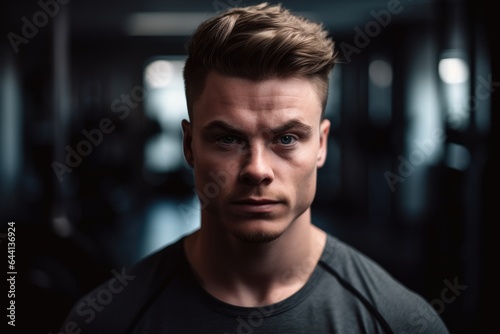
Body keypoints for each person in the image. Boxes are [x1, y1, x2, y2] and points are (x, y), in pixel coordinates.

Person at [59, 3, 449, 333]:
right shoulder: (107, 321)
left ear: (321, 145)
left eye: (287, 139)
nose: (256, 169)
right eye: (228, 139)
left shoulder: (399, 322)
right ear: (189, 146)